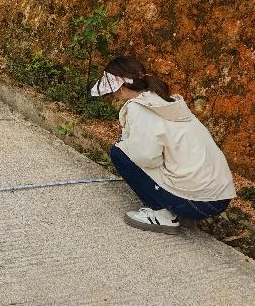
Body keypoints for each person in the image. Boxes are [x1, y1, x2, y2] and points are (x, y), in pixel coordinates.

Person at [91, 56, 236, 234]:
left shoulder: (138, 108)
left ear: (120, 87)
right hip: (218, 199)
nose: (114, 95)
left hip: (196, 202)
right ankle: (180, 213)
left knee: (119, 152)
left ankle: (162, 215)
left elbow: (146, 158)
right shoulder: (164, 101)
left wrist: (127, 144)